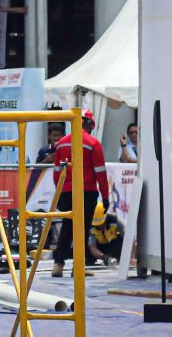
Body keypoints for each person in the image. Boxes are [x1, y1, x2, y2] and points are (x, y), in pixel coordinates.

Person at [50, 109, 109, 278]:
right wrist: (105, 197)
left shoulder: (61, 143)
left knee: (67, 228)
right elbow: (101, 174)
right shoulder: (93, 143)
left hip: (66, 193)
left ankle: (58, 265)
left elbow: (56, 173)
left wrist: (60, 193)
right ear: (89, 124)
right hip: (87, 192)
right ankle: (78, 267)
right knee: (82, 229)